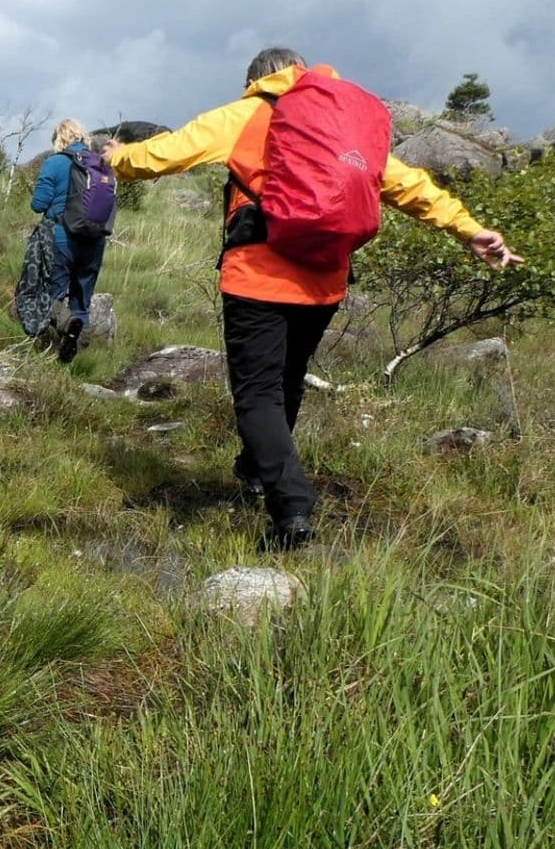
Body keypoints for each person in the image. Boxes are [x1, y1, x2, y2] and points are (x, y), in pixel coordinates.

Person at [104, 47, 522, 549]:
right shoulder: (341, 125)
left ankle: (291, 509)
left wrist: (114, 160)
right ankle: (259, 469)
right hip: (324, 279)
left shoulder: (249, 112)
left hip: (258, 274)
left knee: (258, 394)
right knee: (287, 379)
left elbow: (164, 154)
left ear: (255, 78)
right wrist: (469, 229)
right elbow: (408, 184)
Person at [30, 118, 108, 363]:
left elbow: (38, 204)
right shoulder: (100, 163)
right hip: (95, 240)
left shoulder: (54, 163)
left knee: (51, 296)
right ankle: (73, 362)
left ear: (59, 139)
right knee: (81, 302)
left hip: (61, 238)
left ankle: (63, 328)